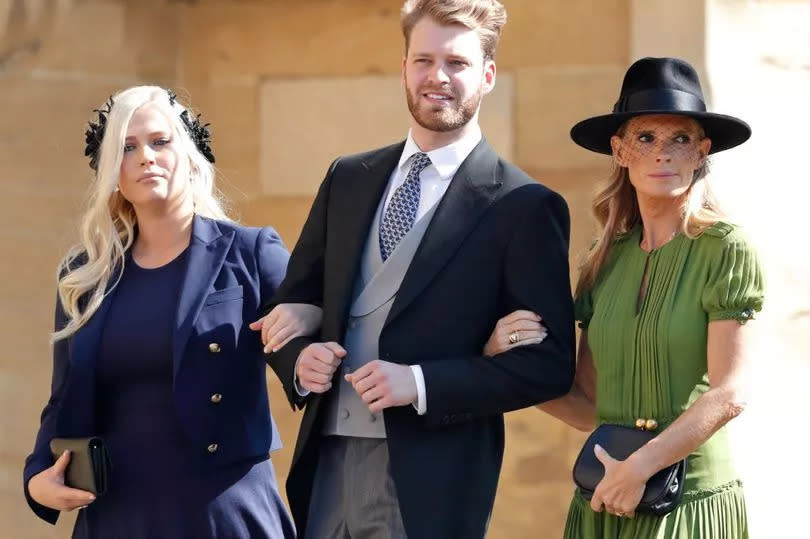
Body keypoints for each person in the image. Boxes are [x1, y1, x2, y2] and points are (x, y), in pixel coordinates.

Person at [264, 1, 575, 537]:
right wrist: (298, 360)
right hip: (326, 464)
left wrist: (421, 383)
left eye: (456, 63)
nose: (437, 77)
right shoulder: (348, 177)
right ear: (404, 66)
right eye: (423, 60)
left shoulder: (523, 204)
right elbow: (296, 304)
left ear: (487, 74)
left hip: (432, 476)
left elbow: (547, 366)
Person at [22, 86, 314, 538]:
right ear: (111, 172)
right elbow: (62, 399)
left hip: (224, 513)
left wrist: (311, 325)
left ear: (191, 154)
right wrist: (37, 478)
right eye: (127, 147)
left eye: (160, 141)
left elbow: (302, 338)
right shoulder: (84, 276)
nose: (145, 157)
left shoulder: (251, 251)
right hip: (117, 516)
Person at [489, 57, 764, 537]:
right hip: (602, 501)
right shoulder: (603, 260)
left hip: (688, 506)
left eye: (680, 139)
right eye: (646, 138)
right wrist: (502, 362)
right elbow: (587, 405)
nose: (664, 154)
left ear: (702, 152)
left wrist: (639, 468)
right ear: (620, 151)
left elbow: (730, 392)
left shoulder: (726, 248)